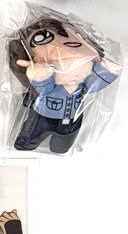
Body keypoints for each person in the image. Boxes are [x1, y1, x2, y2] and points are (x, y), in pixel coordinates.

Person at [7, 17, 120, 153]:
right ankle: (26, 143)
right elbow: (44, 88)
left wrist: (107, 69)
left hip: (70, 118)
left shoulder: (82, 85)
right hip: (42, 113)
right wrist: (41, 74)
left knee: (64, 142)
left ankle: (60, 148)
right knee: (31, 133)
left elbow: (94, 84)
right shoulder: (50, 80)